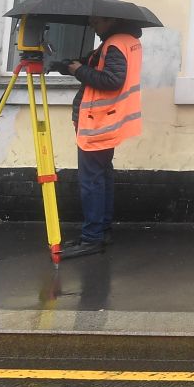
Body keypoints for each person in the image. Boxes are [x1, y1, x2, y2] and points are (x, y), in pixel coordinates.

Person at [48, 15, 143, 259]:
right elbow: (96, 66)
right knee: (101, 177)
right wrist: (67, 66)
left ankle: (92, 238)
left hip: (98, 121)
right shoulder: (122, 41)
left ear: (109, 21)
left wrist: (79, 70)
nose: (92, 25)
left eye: (96, 22)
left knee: (91, 181)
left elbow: (111, 80)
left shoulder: (115, 44)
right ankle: (101, 232)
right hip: (106, 119)